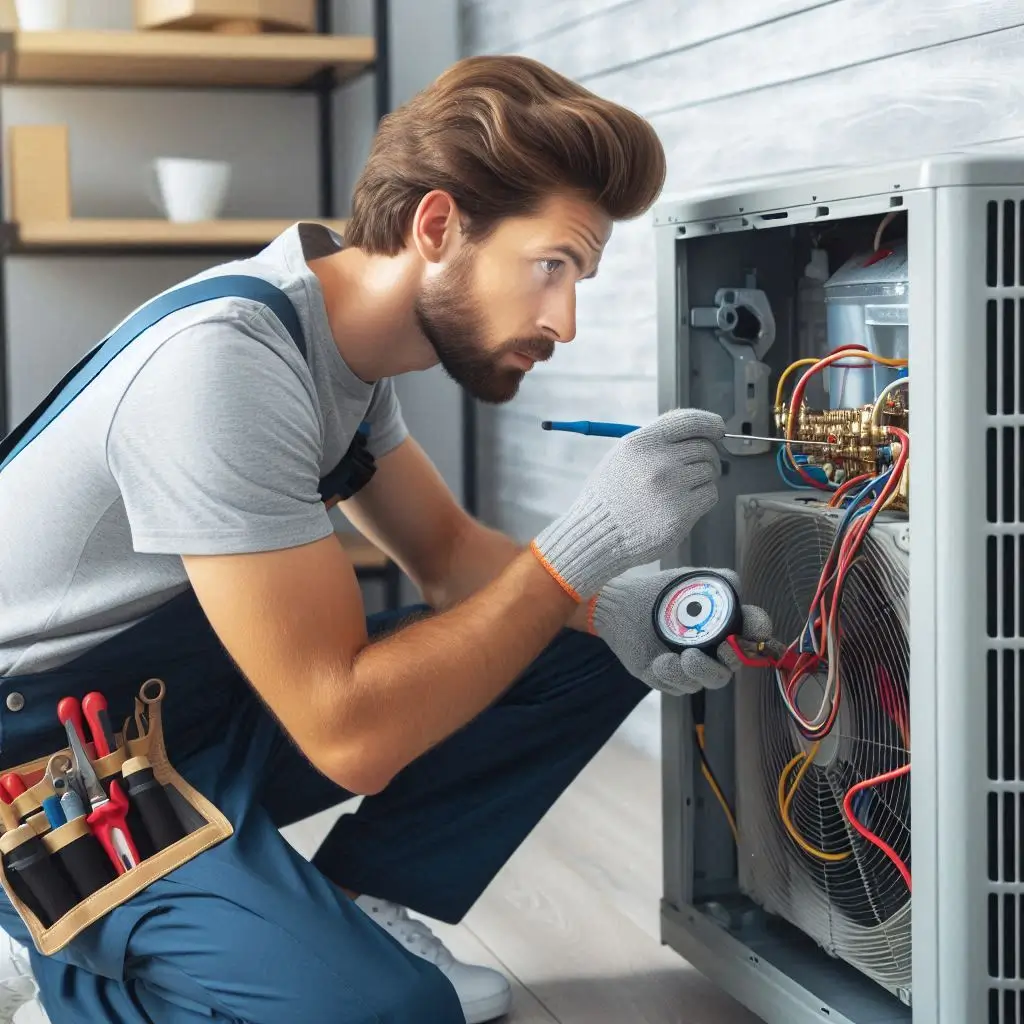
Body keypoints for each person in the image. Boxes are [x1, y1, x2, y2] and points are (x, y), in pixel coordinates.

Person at [0, 55, 771, 1024]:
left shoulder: (334, 346)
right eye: (551, 267)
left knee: (578, 641)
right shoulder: (225, 364)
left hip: (180, 720)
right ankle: (50, 957)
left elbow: (449, 555)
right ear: (439, 226)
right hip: (47, 768)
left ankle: (357, 902)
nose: (563, 321)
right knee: (382, 1013)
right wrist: (583, 542)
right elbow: (347, 732)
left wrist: (617, 602)